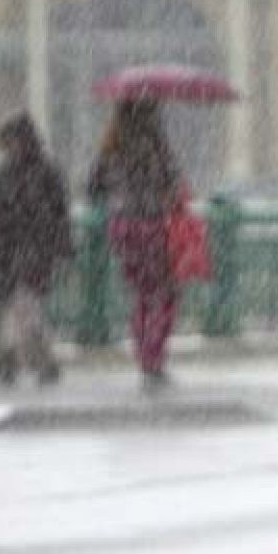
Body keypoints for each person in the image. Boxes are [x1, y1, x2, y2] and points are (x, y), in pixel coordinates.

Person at [88, 98, 182, 390]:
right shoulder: (156, 147)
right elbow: (173, 186)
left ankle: (144, 354)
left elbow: (93, 188)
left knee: (141, 293)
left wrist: (119, 195)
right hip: (152, 225)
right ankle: (154, 356)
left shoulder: (111, 148)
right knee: (164, 293)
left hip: (122, 228)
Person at [0, 114, 72, 385]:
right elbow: (59, 211)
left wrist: (60, 244)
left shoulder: (27, 173)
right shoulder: (36, 171)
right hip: (24, 246)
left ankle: (15, 356)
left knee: (23, 302)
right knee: (24, 304)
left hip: (31, 247)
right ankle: (31, 358)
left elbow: (57, 211)